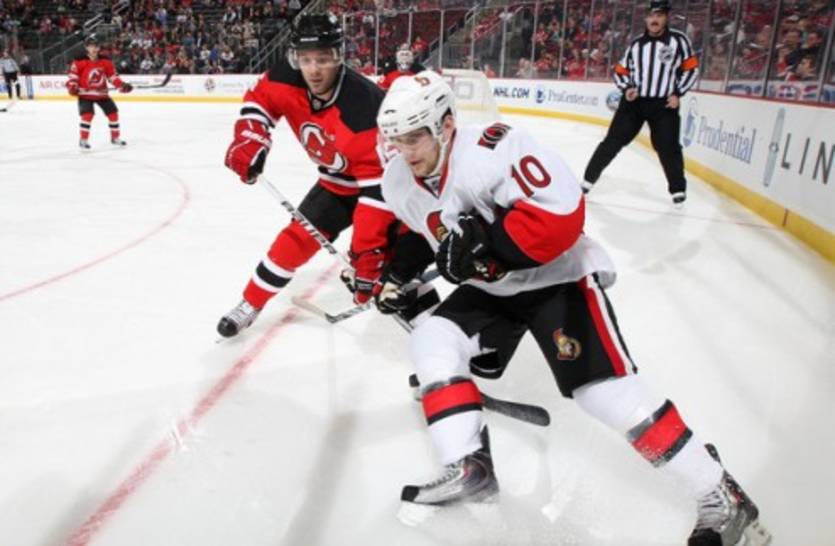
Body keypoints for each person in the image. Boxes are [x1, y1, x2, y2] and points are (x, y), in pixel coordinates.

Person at [372, 71, 771, 546]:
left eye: (415, 137)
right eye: (397, 140)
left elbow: (560, 216)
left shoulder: (494, 149)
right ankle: (469, 466)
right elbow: (431, 232)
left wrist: (490, 246)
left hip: (557, 278)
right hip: (494, 289)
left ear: (445, 125)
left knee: (604, 394)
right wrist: (395, 274)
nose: (406, 151)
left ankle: (720, 493)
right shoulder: (399, 179)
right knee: (432, 340)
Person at [218, 12, 396, 337]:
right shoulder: (287, 76)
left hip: (387, 190)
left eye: (323, 59)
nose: (313, 70)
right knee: (292, 242)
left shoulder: (364, 107)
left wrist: (367, 248)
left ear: (338, 57)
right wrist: (250, 137)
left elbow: (380, 188)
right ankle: (250, 303)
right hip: (336, 184)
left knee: (390, 265)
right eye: (305, 59)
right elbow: (260, 100)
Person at [582, 0, 698, 208]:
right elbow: (620, 71)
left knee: (668, 147)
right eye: (651, 15)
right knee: (612, 142)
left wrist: (678, 93)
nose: (654, 19)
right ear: (646, 18)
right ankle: (586, 182)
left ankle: (678, 190)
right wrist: (627, 88)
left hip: (664, 105)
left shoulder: (679, 41)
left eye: (659, 15)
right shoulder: (636, 45)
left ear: (666, 18)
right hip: (634, 104)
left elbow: (691, 69)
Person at [67, 36, 133, 150]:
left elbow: (112, 77)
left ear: (99, 48)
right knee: (87, 115)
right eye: (91, 46)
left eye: (96, 46)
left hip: (102, 94)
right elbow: (73, 78)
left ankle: (115, 138)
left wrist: (122, 86)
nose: (94, 49)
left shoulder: (105, 62)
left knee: (113, 114)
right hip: (85, 95)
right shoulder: (79, 62)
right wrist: (73, 87)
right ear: (86, 47)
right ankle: (83, 140)